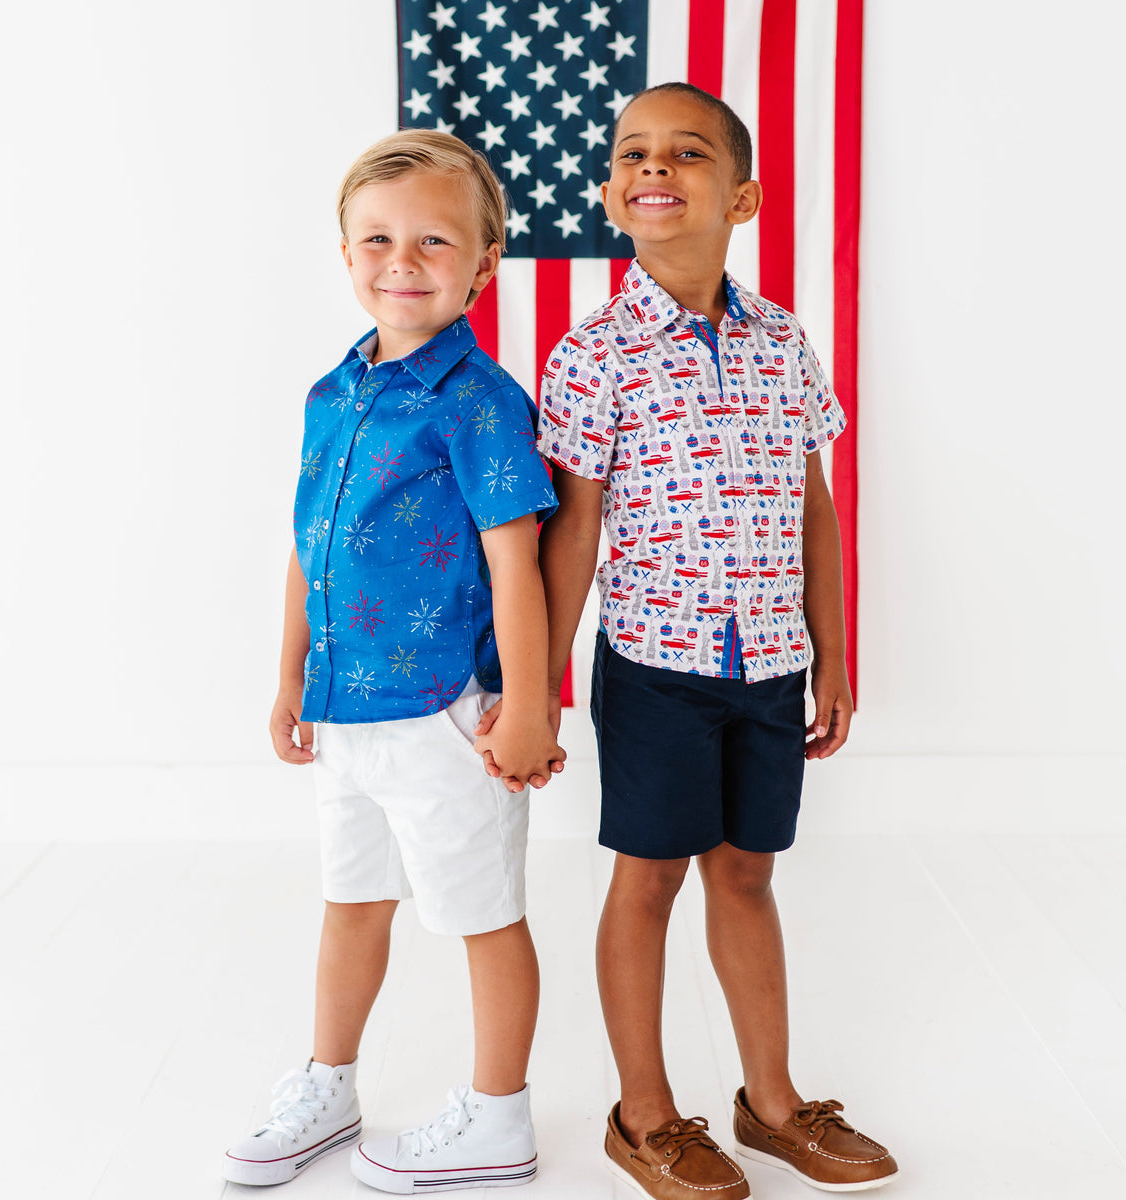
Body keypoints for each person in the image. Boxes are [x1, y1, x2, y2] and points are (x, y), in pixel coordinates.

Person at [483, 82, 898, 1197]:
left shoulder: (781, 341)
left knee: (749, 873)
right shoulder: (595, 351)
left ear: (745, 195)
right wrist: (541, 687)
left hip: (768, 661)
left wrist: (834, 653)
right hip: (658, 665)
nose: (655, 166)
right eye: (635, 154)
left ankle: (771, 1103)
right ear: (614, 195)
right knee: (652, 875)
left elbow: (814, 504)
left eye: (688, 152)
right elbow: (571, 533)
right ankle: (646, 1114)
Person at [222, 129, 562, 1194]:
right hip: (343, 712)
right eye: (377, 238)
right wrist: (290, 677)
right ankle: (330, 1084)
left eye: (431, 240)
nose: (401, 260)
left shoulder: (479, 402)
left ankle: (499, 1116)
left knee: (481, 911)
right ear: (344, 252)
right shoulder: (333, 393)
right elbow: (306, 546)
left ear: (481, 263)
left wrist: (529, 705)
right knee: (350, 898)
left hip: (441, 713)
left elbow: (519, 565)